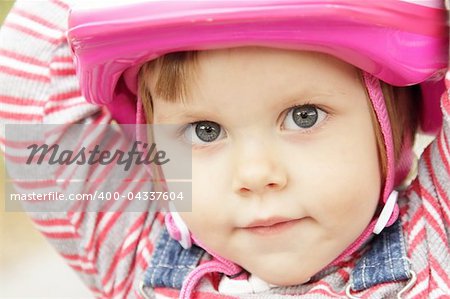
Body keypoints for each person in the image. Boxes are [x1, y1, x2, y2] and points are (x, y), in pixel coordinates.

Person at [1, 1, 449, 298]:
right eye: (204, 131)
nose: (254, 174)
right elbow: (28, 95)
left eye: (304, 116)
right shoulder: (136, 253)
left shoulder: (434, 244)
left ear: (395, 124)